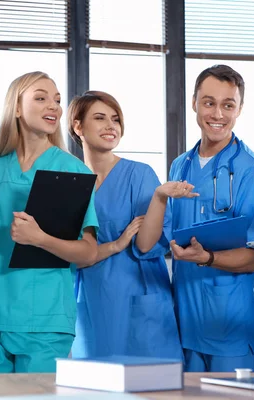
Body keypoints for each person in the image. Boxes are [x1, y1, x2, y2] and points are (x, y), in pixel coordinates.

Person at [0, 71, 99, 373]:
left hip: (44, 319)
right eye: (41, 98)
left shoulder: (72, 170)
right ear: (17, 108)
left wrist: (40, 239)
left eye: (57, 100)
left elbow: (89, 252)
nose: (54, 106)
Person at [138, 65, 254, 372]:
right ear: (194, 103)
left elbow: (253, 257)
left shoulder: (252, 171)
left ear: (239, 109)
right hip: (186, 321)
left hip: (233, 323)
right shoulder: (180, 166)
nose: (218, 114)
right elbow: (167, 236)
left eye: (228, 105)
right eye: (209, 102)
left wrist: (208, 257)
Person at [67, 91, 185, 359]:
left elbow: (145, 245)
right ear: (77, 126)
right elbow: (66, 254)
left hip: (140, 295)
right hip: (91, 299)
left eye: (116, 119)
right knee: (96, 387)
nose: (111, 126)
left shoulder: (139, 174)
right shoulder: (70, 182)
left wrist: (159, 197)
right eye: (100, 118)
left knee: (151, 388)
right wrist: (115, 244)